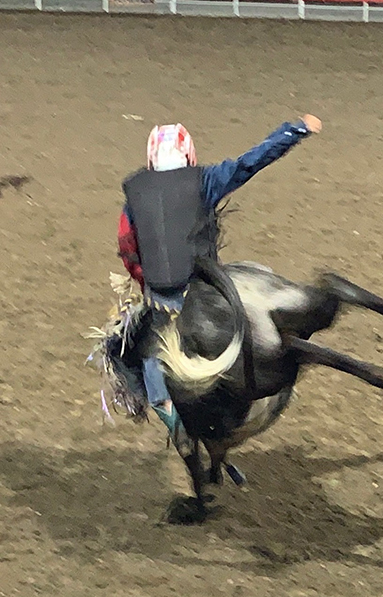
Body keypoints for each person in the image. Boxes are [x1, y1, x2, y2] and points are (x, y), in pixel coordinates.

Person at [117, 114, 322, 440]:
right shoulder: (205, 180)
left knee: (134, 360)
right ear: (189, 156)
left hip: (163, 301)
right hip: (209, 289)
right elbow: (249, 163)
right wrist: (294, 130)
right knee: (256, 281)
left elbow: (128, 249)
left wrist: (147, 283)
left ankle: (177, 429)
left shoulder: (135, 196)